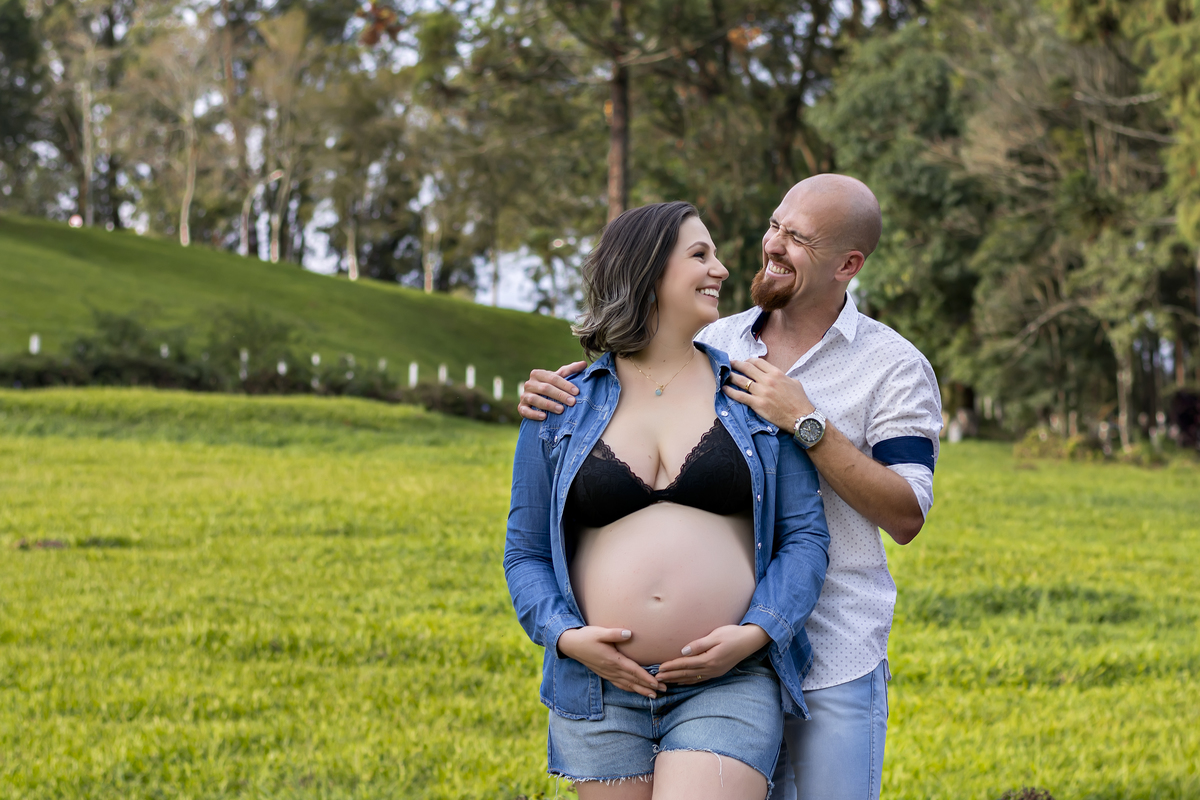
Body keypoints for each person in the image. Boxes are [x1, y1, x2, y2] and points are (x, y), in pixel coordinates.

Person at [518, 175, 943, 800]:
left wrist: (806, 424)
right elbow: (633, 376)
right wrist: (550, 397)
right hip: (688, 670)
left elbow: (906, 514)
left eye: (797, 238)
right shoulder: (713, 343)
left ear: (847, 264)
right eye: (775, 224)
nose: (770, 244)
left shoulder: (893, 365)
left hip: (830, 647)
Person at [504, 201, 832, 799]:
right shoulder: (561, 407)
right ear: (648, 270)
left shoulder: (752, 398)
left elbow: (806, 539)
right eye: (700, 255)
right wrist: (567, 637)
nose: (724, 270)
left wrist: (757, 632)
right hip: (599, 689)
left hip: (728, 682)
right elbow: (524, 553)